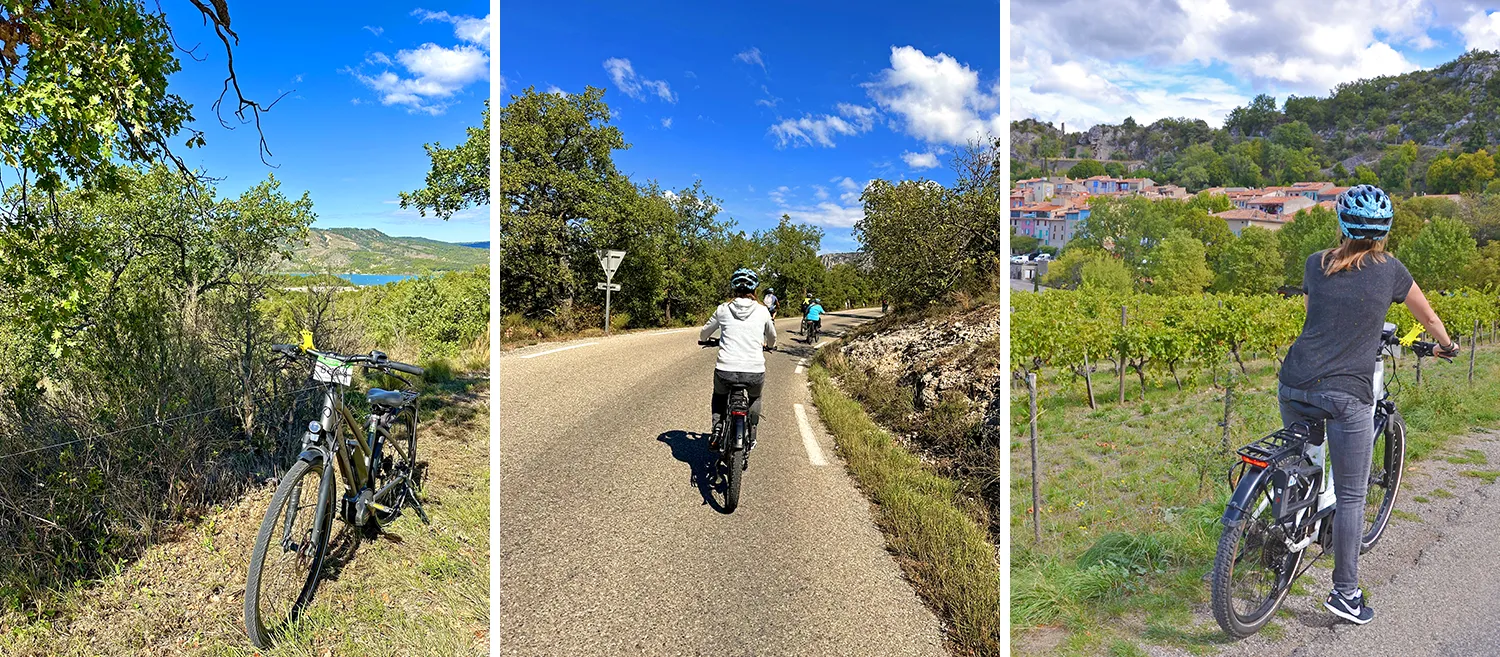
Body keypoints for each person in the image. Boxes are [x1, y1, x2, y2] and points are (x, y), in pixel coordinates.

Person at [1277, 184, 1458, 626]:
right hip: (1346, 393)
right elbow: (1428, 318)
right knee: (1353, 494)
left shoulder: (1315, 263)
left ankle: (1279, 539)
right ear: (1385, 230)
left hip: (1294, 382)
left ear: (1342, 224)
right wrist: (1446, 345)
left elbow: (1315, 315)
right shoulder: (1390, 270)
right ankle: (1344, 595)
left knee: (1301, 464)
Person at [700, 268, 776, 467]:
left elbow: (704, 332)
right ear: (754, 288)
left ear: (734, 287)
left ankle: (717, 428)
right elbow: (772, 336)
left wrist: (706, 340)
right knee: (755, 397)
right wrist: (770, 345)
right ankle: (752, 433)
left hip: (725, 370)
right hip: (754, 371)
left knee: (719, 395)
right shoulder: (762, 311)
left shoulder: (723, 308)